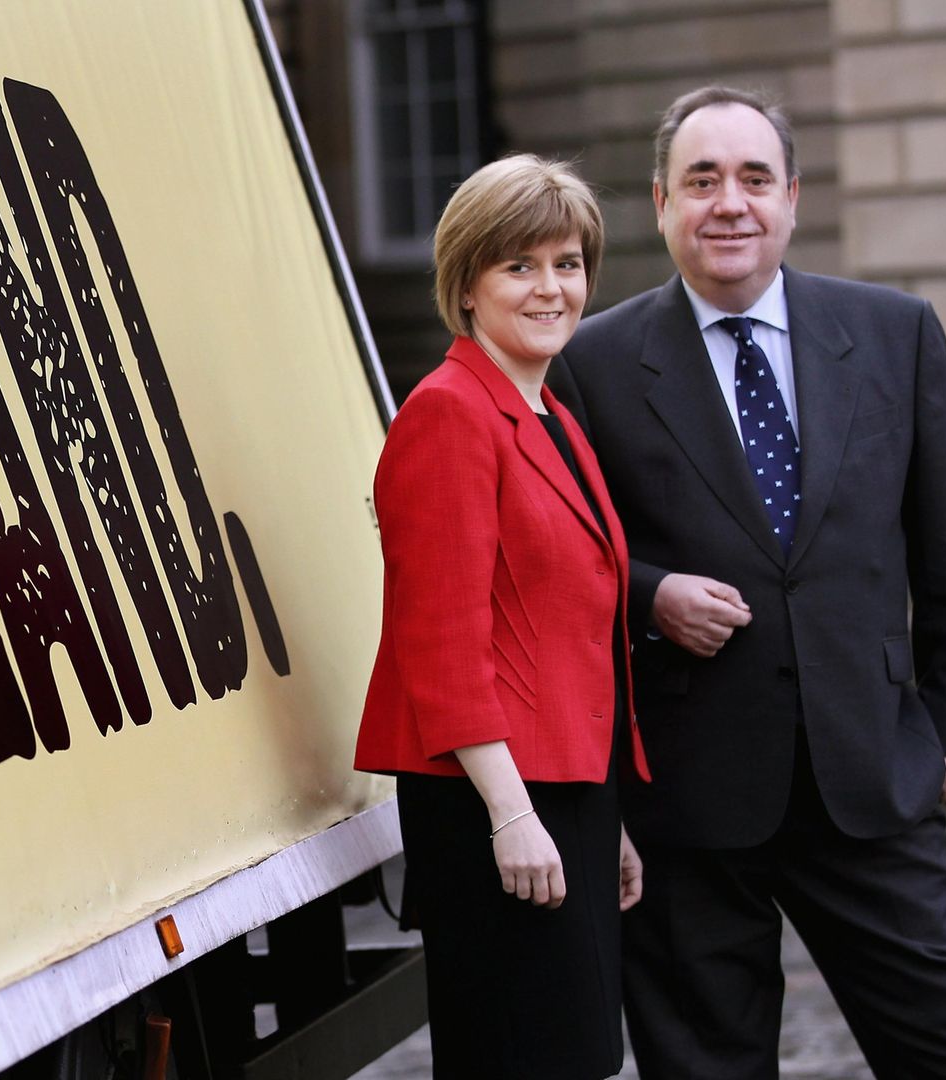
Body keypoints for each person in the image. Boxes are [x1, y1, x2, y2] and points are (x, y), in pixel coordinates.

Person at [549, 85, 946, 1077]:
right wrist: (649, 595)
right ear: (662, 203)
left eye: (754, 178)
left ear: (793, 199)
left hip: (869, 768)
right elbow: (561, 552)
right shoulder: (592, 363)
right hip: (685, 788)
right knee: (706, 1063)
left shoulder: (895, 333)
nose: (730, 202)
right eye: (703, 180)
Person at [355, 154, 649, 1079]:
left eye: (567, 264)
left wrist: (610, 817)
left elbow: (574, 632)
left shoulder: (552, 413)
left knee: (574, 1057)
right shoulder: (447, 414)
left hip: (564, 794)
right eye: (519, 266)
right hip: (495, 804)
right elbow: (436, 643)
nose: (551, 288)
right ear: (467, 286)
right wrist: (513, 816)